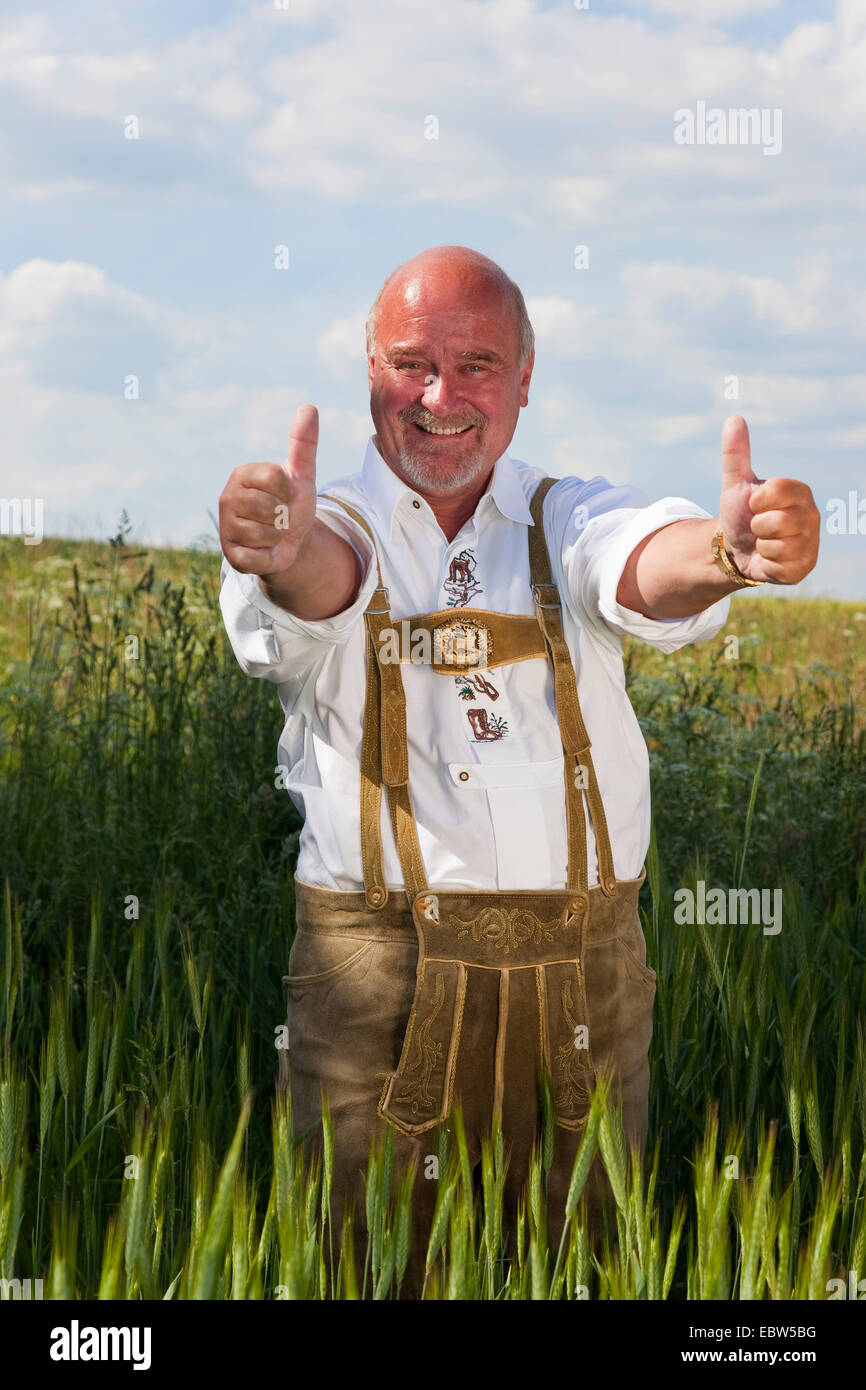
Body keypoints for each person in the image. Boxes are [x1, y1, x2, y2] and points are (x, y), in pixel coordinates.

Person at [217, 245, 820, 1293]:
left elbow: (636, 560)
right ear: (367, 369)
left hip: (586, 977)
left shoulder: (561, 512)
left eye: (476, 365)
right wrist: (279, 550)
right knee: (359, 1269)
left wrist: (725, 554)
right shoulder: (329, 525)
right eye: (410, 363)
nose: (439, 397)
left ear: (526, 381)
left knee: (582, 1266)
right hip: (374, 984)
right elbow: (324, 580)